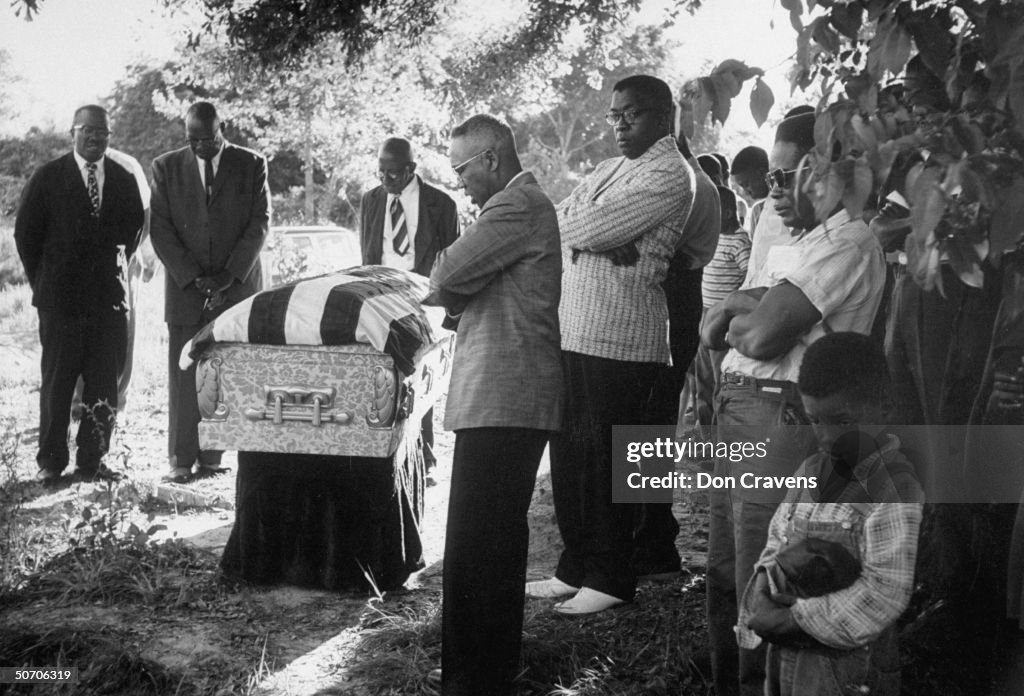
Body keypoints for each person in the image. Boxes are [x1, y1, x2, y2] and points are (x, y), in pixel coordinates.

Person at [700, 109, 887, 696]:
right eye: (772, 178)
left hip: (778, 413)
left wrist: (738, 308)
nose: (772, 192)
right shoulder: (804, 244)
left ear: (828, 172)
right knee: (725, 571)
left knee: (765, 577)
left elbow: (753, 336)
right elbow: (715, 332)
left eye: (786, 178)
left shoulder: (848, 243)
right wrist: (740, 308)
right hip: (743, 407)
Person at [527, 74, 693, 615]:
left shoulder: (672, 173)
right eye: (614, 114)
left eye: (633, 114)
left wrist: (592, 237)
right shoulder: (611, 167)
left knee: (604, 462)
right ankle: (575, 568)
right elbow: (562, 218)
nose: (620, 123)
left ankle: (612, 577)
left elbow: (591, 227)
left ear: (665, 115)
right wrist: (593, 237)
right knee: (571, 459)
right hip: (576, 331)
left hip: (624, 338)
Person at [424, 114, 563, 696]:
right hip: (508, 396)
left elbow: (446, 274)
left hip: (506, 397)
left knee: (479, 543)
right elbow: (457, 286)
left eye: (461, 168)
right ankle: (487, 670)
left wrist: (454, 281)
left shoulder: (515, 207)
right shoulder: (516, 207)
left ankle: (473, 680)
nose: (459, 182)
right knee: (492, 540)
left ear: (491, 158)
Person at [737, 331, 923, 696]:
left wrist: (792, 619)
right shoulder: (809, 470)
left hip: (850, 670)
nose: (825, 437)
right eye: (814, 420)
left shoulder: (893, 487)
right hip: (789, 655)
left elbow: (884, 592)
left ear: (885, 407)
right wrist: (762, 591)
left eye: (841, 421)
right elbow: (777, 539)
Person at [15, 105, 145, 485]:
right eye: (86, 131)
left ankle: (93, 461)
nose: (94, 138)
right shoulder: (48, 177)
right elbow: (26, 235)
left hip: (107, 301)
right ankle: (51, 462)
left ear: (109, 136)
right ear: (73, 133)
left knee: (104, 383)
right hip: (61, 303)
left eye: (101, 132)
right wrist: (45, 282)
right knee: (58, 383)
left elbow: (133, 233)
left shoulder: (122, 178)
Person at [150, 101, 270, 483]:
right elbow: (161, 230)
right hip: (187, 291)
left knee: (227, 372)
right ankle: (181, 459)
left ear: (223, 128)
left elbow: (259, 224)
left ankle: (214, 455)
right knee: (185, 373)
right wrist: (193, 277)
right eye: (193, 140)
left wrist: (228, 277)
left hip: (235, 290)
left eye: (209, 138)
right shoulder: (166, 167)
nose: (201, 146)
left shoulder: (252, 164)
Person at [633, 128, 717, 581]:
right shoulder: (692, 178)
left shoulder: (682, 182)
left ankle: (654, 544)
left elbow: (645, 249)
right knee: (650, 425)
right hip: (677, 305)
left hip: (671, 306)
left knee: (648, 426)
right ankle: (650, 538)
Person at [359, 136, 459, 468]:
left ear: (411, 169)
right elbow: (367, 256)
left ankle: (423, 455)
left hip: (423, 300)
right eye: (380, 172)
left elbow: (451, 262)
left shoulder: (441, 205)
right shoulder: (372, 200)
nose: (385, 180)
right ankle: (388, 453)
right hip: (382, 297)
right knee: (386, 374)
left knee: (420, 373)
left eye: (392, 174)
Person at [690, 186, 750, 428]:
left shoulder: (740, 241)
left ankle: (718, 438)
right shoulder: (712, 237)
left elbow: (749, 275)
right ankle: (703, 435)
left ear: (725, 213)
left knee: (719, 378)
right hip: (705, 314)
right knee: (702, 378)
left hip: (722, 320)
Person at [730, 145, 770, 235]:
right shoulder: (758, 211)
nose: (746, 192)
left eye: (746, 184)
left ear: (761, 172)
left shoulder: (789, 206)